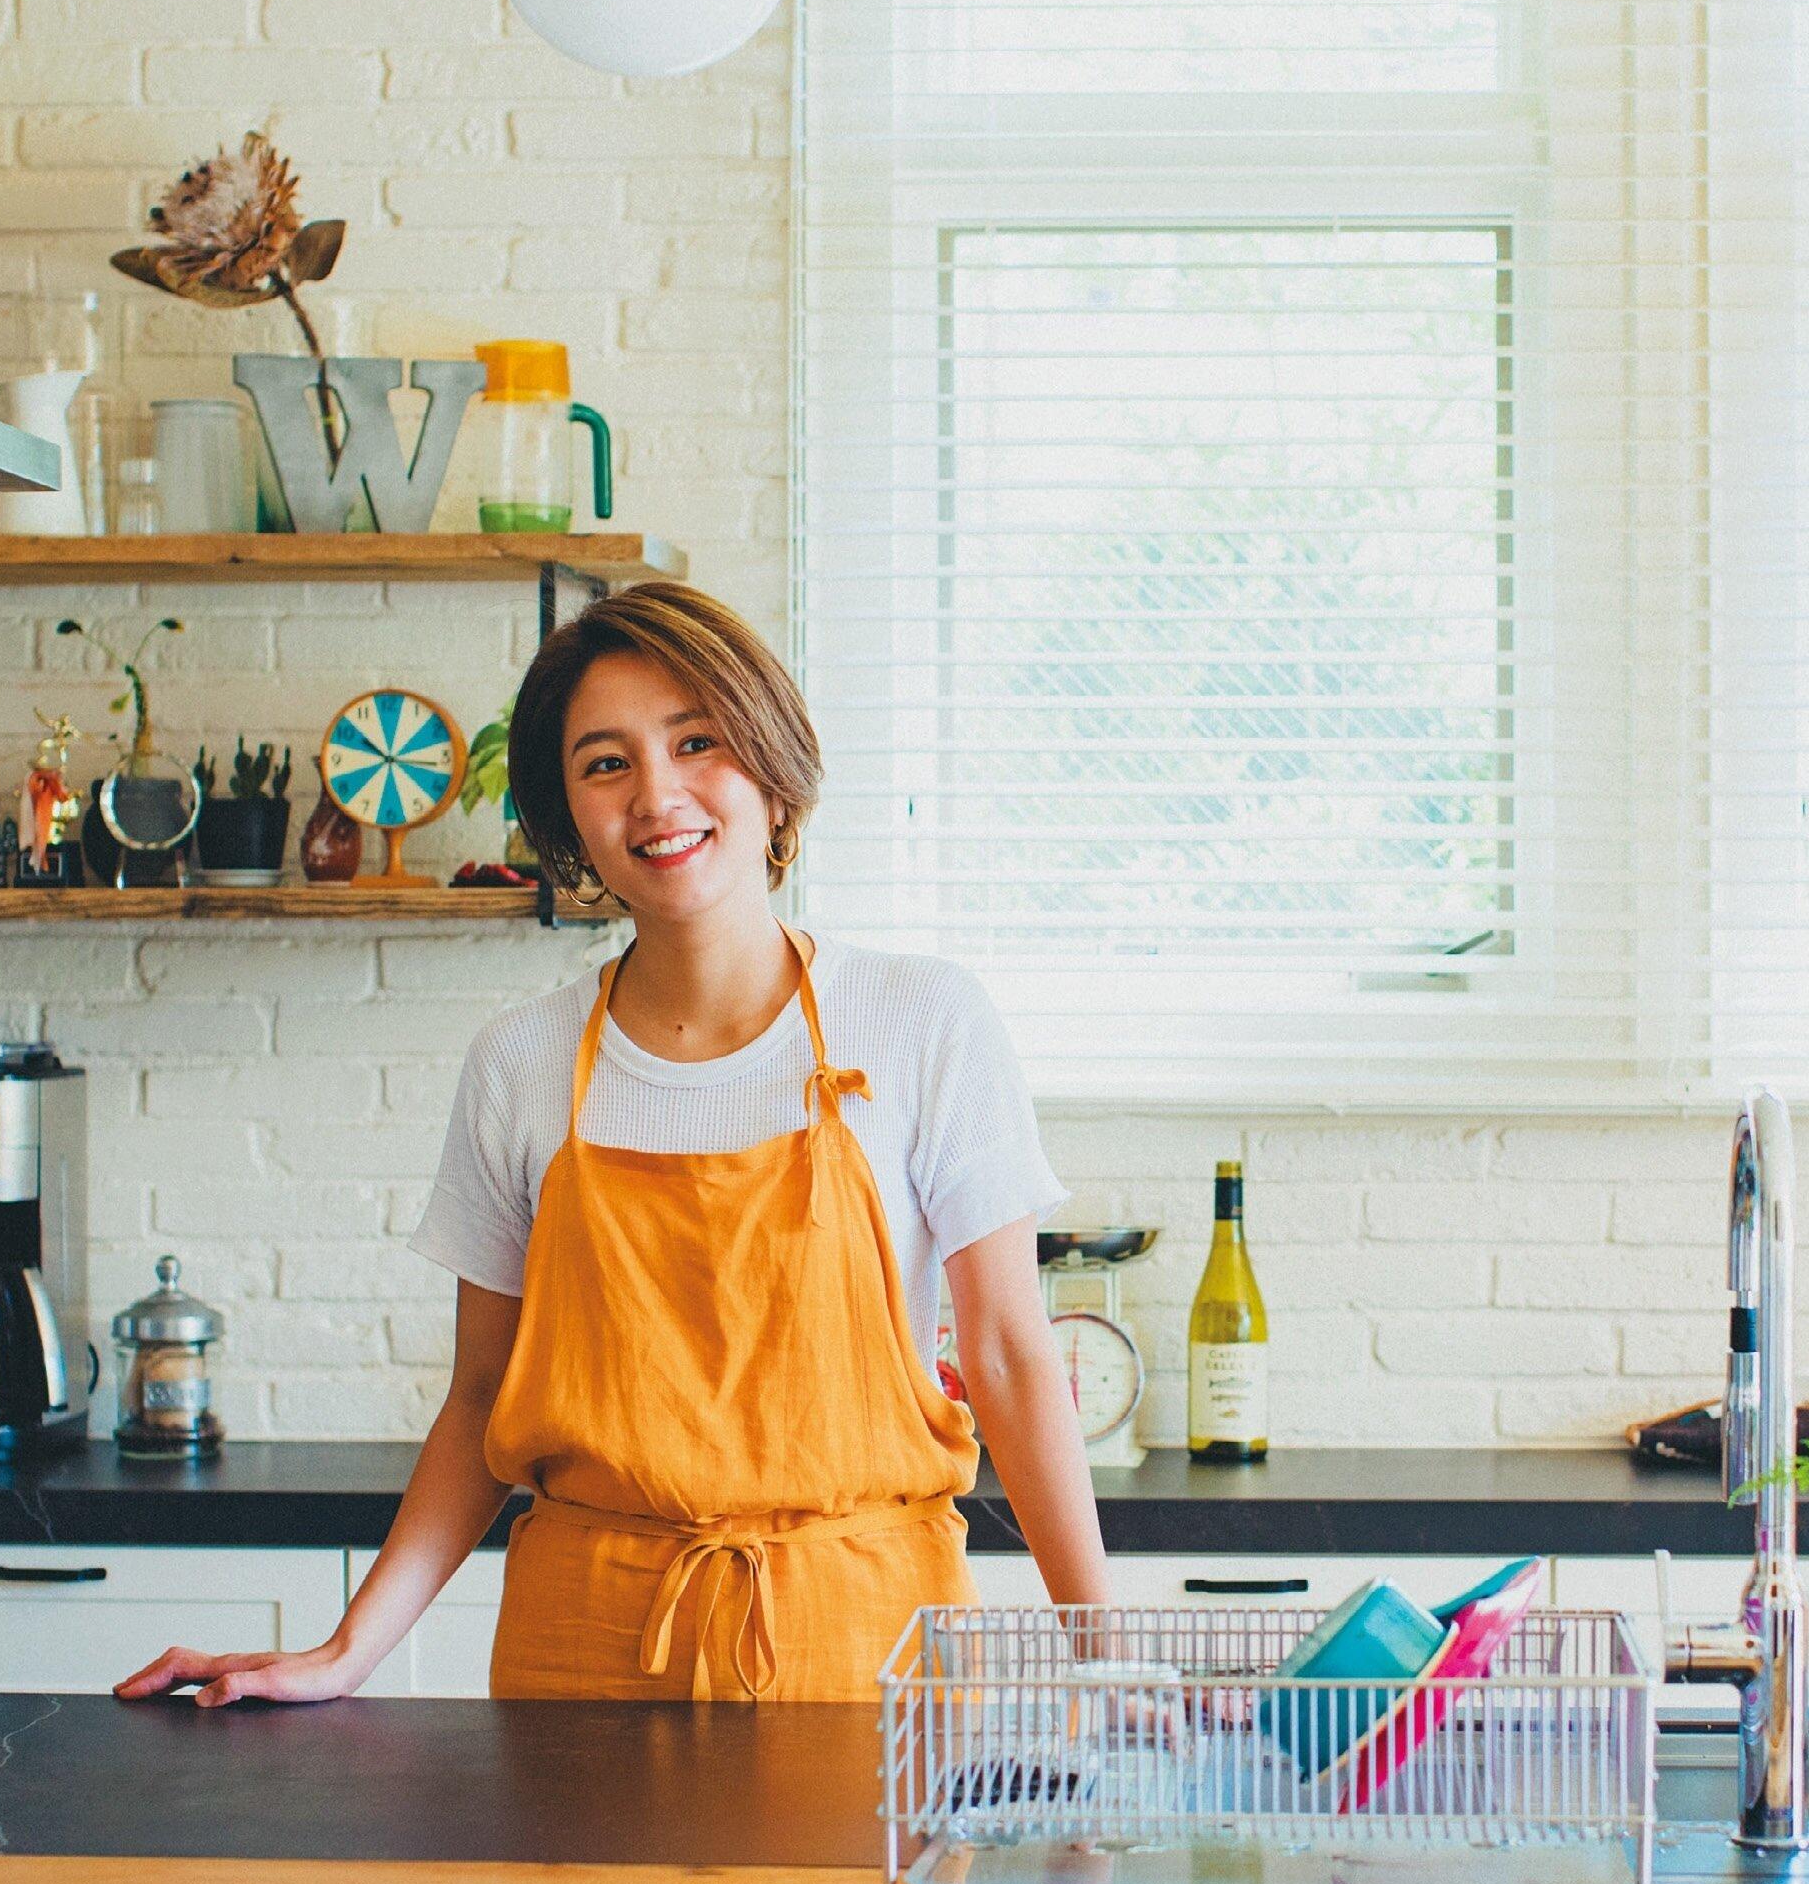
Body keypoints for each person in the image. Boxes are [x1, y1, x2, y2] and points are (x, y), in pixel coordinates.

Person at [118, 581, 1110, 1703]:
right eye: (605, 763)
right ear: (570, 820)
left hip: (863, 1647)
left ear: (774, 774)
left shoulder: (923, 1020)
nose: (658, 795)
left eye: (698, 742)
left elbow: (1012, 1360)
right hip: (579, 1649)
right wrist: (347, 1652)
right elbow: (483, 1395)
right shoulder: (522, 1062)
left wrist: (1109, 1657)